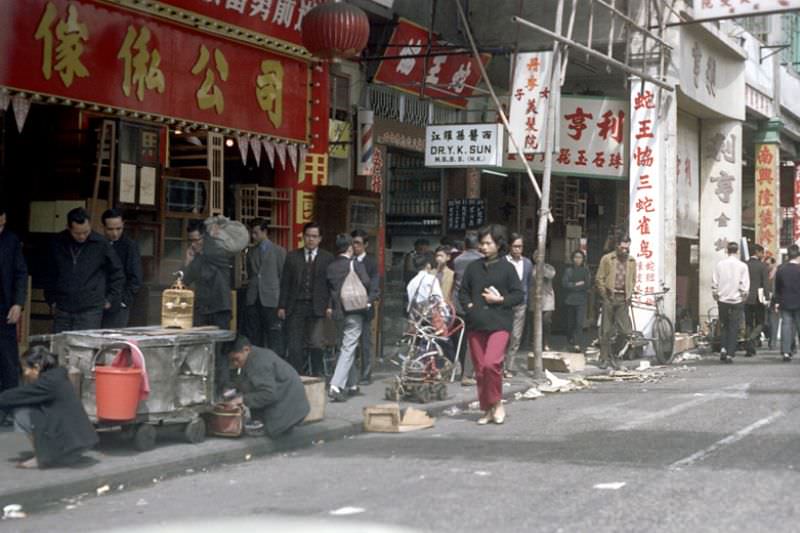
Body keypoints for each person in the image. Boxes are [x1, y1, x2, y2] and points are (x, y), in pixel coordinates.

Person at [459, 224, 524, 425]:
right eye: (482, 243)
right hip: (476, 323)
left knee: (491, 364)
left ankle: (496, 402)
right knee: (480, 370)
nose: (484, 247)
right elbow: (463, 292)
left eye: (488, 243)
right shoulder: (473, 267)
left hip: (499, 323)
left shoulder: (508, 268)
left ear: (498, 245)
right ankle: (487, 408)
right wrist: (470, 306)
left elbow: (518, 295)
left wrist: (500, 300)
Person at [0, 346, 98, 469]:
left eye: (25, 368)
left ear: (36, 367)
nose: (24, 373)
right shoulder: (56, 377)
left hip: (72, 446)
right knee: (23, 405)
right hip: (78, 442)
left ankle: (43, 457)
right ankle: (54, 453)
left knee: (21, 414)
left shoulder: (49, 383)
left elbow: (14, 396)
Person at [45, 207, 124, 333]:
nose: (82, 236)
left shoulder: (101, 243)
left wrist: (110, 299)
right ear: (68, 228)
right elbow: (49, 273)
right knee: (60, 347)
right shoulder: (57, 243)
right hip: (62, 307)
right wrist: (51, 299)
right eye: (77, 233)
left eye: (86, 232)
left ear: (90, 226)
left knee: (85, 348)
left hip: (91, 309)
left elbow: (117, 273)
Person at [183, 219, 235, 393]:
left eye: (197, 240)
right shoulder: (199, 256)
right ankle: (206, 388)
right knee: (201, 349)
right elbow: (185, 279)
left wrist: (194, 257)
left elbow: (193, 272)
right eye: (191, 241)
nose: (194, 244)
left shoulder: (215, 251)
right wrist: (188, 260)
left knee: (219, 350)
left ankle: (224, 386)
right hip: (203, 307)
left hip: (219, 308)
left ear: (204, 238)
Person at [278, 222, 334, 377]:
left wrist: (330, 305)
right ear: (303, 237)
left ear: (320, 239)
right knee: (294, 344)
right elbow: (285, 283)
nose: (310, 239)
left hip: (318, 306)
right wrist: (281, 306)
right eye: (308, 236)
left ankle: (316, 375)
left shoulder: (327, 258)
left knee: (316, 343)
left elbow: (332, 285)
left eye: (314, 236)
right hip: (296, 306)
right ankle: (298, 376)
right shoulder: (292, 256)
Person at [226, 336, 310, 437]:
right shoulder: (253, 355)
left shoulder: (258, 363)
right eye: (232, 361)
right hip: (289, 399)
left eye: (236, 359)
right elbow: (247, 382)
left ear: (246, 350)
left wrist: (243, 399)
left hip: (289, 405)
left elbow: (269, 394)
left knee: (257, 429)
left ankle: (273, 425)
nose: (235, 364)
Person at [326, 234, 376, 402]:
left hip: (337, 312)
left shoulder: (331, 266)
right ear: (349, 248)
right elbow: (367, 283)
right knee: (348, 347)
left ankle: (352, 384)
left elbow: (329, 290)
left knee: (345, 346)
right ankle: (336, 384)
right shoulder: (355, 264)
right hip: (354, 311)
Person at [0, 207, 27, 426]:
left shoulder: (10, 240)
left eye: (1, 225)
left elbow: (20, 273)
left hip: (4, 309)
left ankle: (8, 410)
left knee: (8, 361)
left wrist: (18, 303)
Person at [244, 219, 286, 353]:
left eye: (256, 233)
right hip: (254, 297)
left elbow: (282, 276)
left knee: (273, 334)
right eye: (252, 233)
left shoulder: (279, 251)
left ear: (264, 232)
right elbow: (251, 273)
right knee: (255, 335)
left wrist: (281, 303)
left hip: (271, 298)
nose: (253, 236)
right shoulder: (250, 251)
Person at [595, 235, 636, 369]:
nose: (624, 250)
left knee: (625, 331)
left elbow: (633, 279)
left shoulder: (631, 261)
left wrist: (629, 293)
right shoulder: (607, 259)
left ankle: (615, 353)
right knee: (606, 330)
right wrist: (604, 294)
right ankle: (604, 357)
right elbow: (599, 279)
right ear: (617, 246)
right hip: (609, 297)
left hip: (623, 299)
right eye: (622, 247)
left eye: (627, 248)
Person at [100, 208, 143, 329]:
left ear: (123, 225)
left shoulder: (130, 246)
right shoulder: (99, 243)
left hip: (119, 304)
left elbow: (136, 277)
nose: (114, 233)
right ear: (103, 227)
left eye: (118, 229)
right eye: (110, 229)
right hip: (99, 301)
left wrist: (124, 302)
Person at [711, 241, 749, 363]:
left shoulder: (720, 265)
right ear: (737, 251)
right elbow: (744, 285)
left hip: (722, 299)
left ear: (727, 250)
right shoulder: (742, 266)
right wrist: (743, 295)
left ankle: (723, 348)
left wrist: (716, 293)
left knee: (723, 325)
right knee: (734, 327)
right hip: (737, 300)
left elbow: (714, 282)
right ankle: (730, 353)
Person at [351, 229, 380, 385]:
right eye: (353, 243)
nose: (355, 246)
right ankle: (351, 375)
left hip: (365, 307)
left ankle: (366, 374)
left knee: (365, 342)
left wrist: (369, 301)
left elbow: (375, 284)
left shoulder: (371, 262)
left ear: (366, 245)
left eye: (358, 243)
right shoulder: (348, 260)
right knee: (350, 343)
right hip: (349, 307)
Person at [453, 233, 482, 386]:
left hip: (458, 303)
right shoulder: (481, 260)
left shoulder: (457, 260)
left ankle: (462, 368)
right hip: (474, 303)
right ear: (478, 245)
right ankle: (469, 373)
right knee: (474, 338)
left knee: (461, 338)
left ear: (465, 245)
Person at [504, 234, 532, 373]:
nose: (517, 249)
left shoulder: (527, 263)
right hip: (504, 303)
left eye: (520, 246)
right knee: (503, 334)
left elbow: (528, 283)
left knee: (516, 336)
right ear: (510, 247)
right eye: (515, 246)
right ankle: (499, 364)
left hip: (521, 303)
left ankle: (509, 366)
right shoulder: (503, 262)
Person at [774, 244, 800, 362]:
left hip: (785, 301)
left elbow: (777, 287)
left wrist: (777, 301)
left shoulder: (781, 269)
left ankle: (786, 352)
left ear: (788, 256)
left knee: (786, 326)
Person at [562, 250, 591, 353]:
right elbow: (565, 284)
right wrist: (576, 285)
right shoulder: (568, 270)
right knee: (570, 323)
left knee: (579, 323)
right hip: (570, 300)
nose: (577, 259)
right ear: (572, 259)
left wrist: (574, 285)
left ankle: (577, 343)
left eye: (580, 257)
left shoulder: (585, 271)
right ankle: (570, 340)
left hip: (581, 300)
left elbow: (587, 284)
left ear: (583, 259)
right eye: (576, 257)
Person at [744, 243, 770, 357]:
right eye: (762, 252)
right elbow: (765, 283)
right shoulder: (763, 266)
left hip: (746, 297)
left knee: (749, 322)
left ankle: (750, 347)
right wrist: (767, 297)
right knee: (760, 322)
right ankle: (751, 339)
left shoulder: (744, 264)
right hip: (758, 298)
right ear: (757, 252)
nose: (763, 254)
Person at [530, 250, 556, 352]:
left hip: (547, 299)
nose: (538, 258)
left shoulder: (549, 267)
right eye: (536, 256)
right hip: (535, 299)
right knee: (535, 323)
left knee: (546, 322)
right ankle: (536, 343)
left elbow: (550, 275)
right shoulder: (531, 268)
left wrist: (542, 267)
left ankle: (546, 343)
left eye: (540, 256)